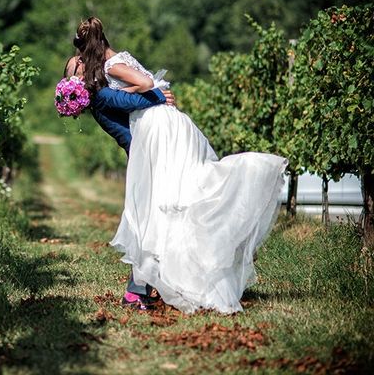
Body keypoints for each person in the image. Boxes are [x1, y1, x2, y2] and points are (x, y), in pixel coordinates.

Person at [73, 16, 287, 314]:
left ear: (86, 52)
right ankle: (146, 286)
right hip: (170, 127)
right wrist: (154, 95)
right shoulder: (111, 69)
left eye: (79, 62)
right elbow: (145, 88)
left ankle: (147, 288)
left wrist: (146, 94)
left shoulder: (108, 73)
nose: (78, 70)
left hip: (161, 132)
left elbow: (143, 86)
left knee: (161, 205)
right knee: (173, 200)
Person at [63, 55, 175, 310]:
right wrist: (160, 95)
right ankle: (135, 293)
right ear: (77, 79)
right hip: (145, 161)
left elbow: (127, 95)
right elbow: (128, 100)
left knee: (154, 221)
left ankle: (145, 288)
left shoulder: (102, 96)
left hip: (146, 157)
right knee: (148, 223)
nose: (83, 61)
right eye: (77, 64)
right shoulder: (101, 97)